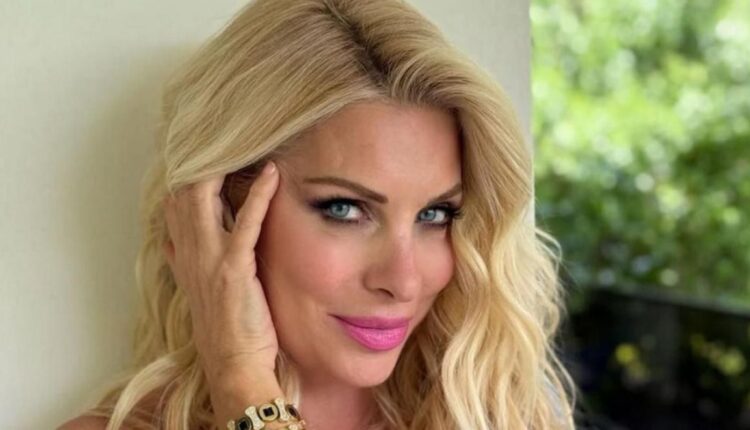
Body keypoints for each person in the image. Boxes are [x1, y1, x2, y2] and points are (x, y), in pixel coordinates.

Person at [59, 0, 576, 428]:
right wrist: (241, 378)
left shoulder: (509, 415)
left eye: (436, 214)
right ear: (219, 210)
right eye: (345, 209)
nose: (403, 281)